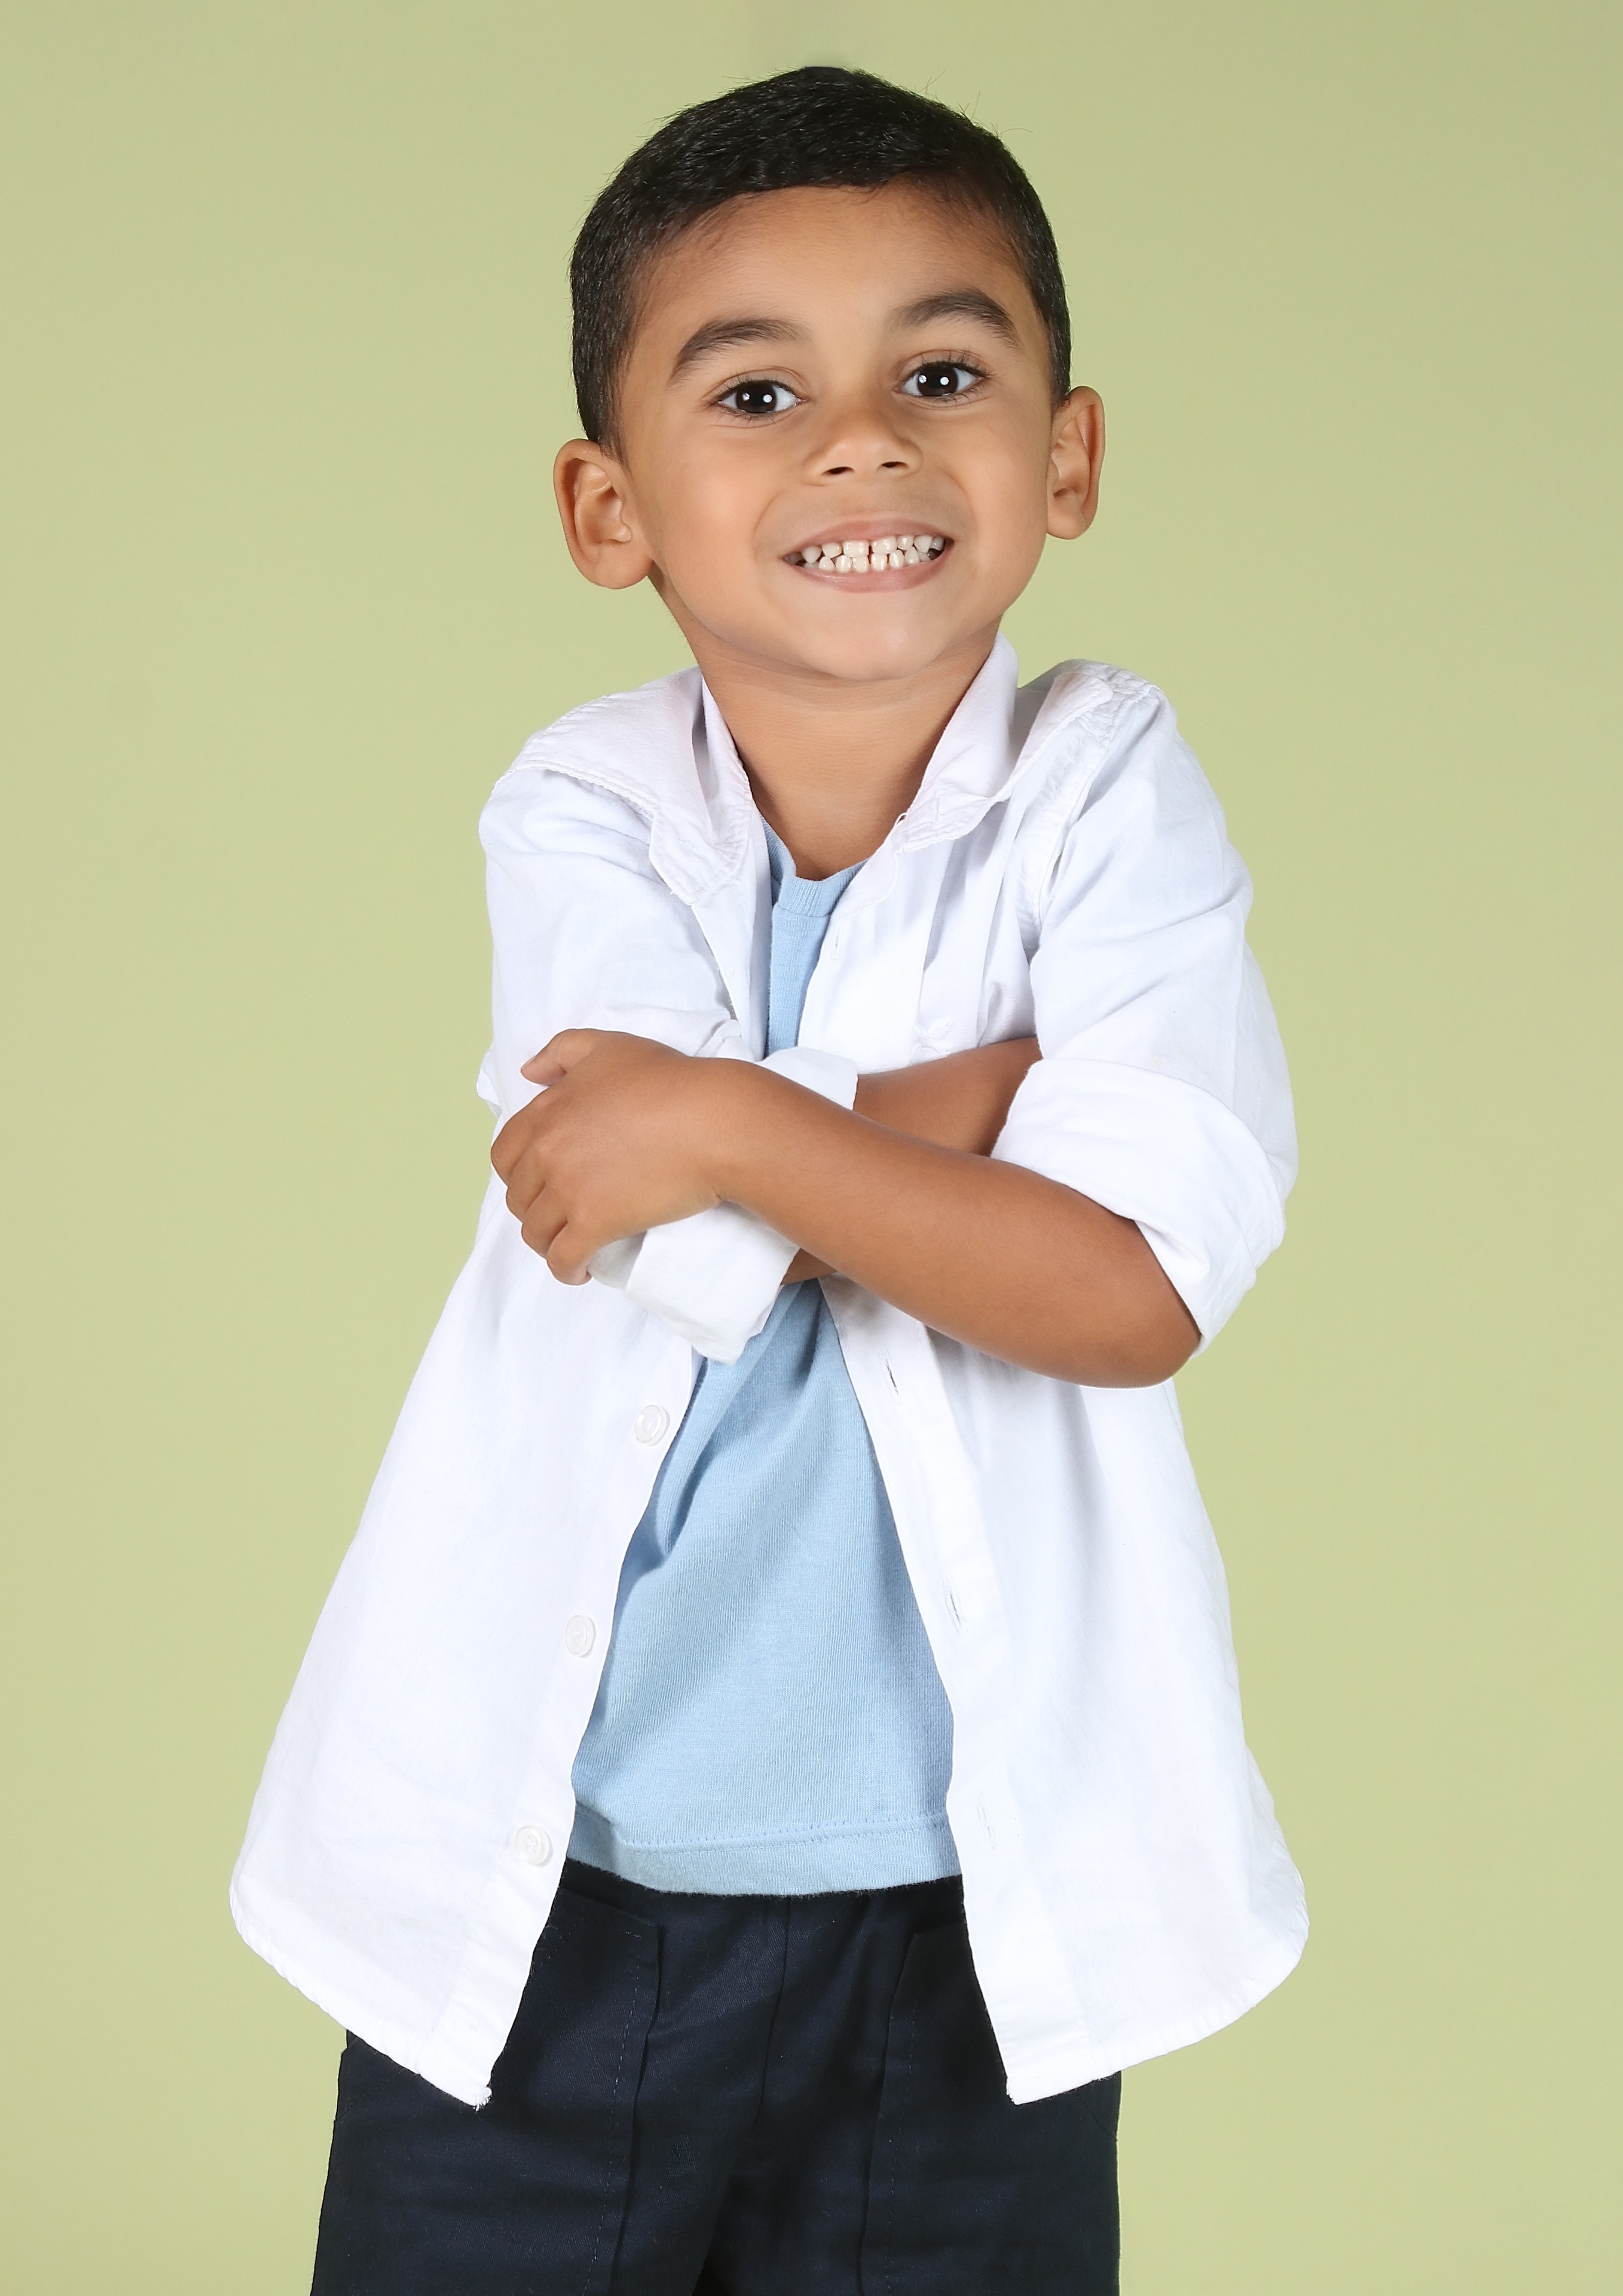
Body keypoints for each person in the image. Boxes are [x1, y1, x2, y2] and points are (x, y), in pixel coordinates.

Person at [233, 64, 1306, 2296]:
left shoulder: (1107, 787)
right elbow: (639, 1221)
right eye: (754, 394)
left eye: (942, 374)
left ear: (1067, 454)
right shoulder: (583, 806)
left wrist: (729, 1116)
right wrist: (983, 1114)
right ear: (607, 506)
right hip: (546, 1892)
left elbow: (1127, 1292)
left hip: (964, 1918)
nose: (860, 445)